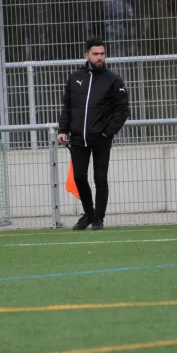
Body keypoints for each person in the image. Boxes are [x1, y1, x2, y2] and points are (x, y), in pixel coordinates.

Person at [57, 37, 130, 230]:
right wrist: (63, 130)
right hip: (78, 138)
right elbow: (67, 107)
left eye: (102, 54)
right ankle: (89, 214)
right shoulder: (74, 78)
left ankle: (99, 218)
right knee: (79, 177)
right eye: (96, 54)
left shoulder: (113, 80)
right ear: (87, 55)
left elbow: (122, 110)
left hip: (101, 138)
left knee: (100, 178)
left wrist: (108, 132)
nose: (100, 58)